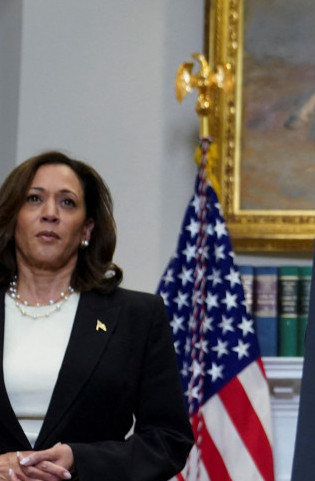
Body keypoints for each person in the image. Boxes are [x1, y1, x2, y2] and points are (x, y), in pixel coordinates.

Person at [0, 152, 192, 481]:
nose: (49, 214)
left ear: (87, 228)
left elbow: (168, 440)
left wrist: (79, 459)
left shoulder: (137, 316)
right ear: (12, 218)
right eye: (34, 199)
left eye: (67, 202)